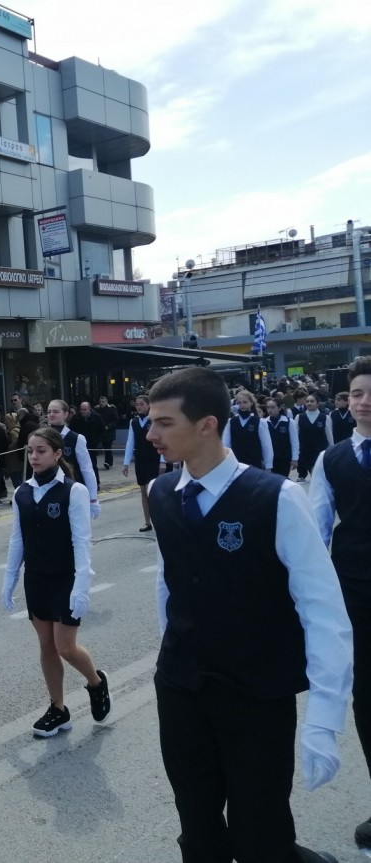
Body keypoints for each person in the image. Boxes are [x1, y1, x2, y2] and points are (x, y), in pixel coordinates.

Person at [145, 366, 352, 863]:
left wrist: (324, 720)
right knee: (197, 827)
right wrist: (173, 656)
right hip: (183, 690)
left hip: (256, 695)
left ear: (207, 425)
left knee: (261, 834)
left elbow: (323, 609)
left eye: (164, 423)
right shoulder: (161, 495)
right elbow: (168, 584)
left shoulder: (275, 497)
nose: (150, 434)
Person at [1, 427, 110, 738]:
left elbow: (81, 540)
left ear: (58, 454)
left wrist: (82, 585)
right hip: (36, 579)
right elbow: (17, 540)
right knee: (46, 646)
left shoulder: (72, 491)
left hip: (66, 578)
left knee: (66, 647)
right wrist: (9, 579)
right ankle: (58, 709)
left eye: (41, 451)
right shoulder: (22, 492)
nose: (34, 456)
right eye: (31, 451)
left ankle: (96, 683)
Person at [309, 355, 371, 852]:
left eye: (370, 392)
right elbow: (316, 533)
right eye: (356, 393)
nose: (364, 401)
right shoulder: (331, 461)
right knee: (368, 702)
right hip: (356, 595)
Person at [45, 400, 100, 519]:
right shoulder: (42, 437)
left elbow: (87, 468)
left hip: (72, 489)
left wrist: (93, 498)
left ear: (66, 414)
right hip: (49, 489)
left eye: (55, 411)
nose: (51, 414)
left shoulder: (76, 438)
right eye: (49, 412)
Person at [122, 394, 165, 532]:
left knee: (153, 490)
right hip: (140, 459)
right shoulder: (133, 422)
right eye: (137, 404)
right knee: (143, 491)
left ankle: (159, 519)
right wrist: (126, 462)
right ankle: (147, 522)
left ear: (148, 405)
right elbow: (130, 442)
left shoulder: (154, 420)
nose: (139, 406)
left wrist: (163, 461)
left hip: (154, 458)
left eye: (142, 404)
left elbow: (162, 438)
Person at [221, 389, 272, 470]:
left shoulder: (260, 421)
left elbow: (266, 445)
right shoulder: (230, 422)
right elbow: (226, 444)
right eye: (239, 403)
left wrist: (268, 465)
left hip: (255, 463)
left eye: (245, 402)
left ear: (251, 403)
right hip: (237, 463)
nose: (242, 405)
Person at [68, 401, 106, 484]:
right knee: (79, 465)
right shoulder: (76, 418)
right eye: (81, 409)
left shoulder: (96, 417)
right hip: (79, 445)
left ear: (89, 409)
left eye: (85, 409)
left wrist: (97, 441)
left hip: (92, 445)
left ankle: (96, 482)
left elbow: (102, 430)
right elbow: (71, 430)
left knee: (93, 465)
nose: (83, 411)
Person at [296, 393, 329, 481]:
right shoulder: (299, 417)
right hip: (304, 452)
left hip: (319, 451)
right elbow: (296, 436)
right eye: (307, 401)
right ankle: (302, 475)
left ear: (318, 403)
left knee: (318, 476)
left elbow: (330, 436)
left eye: (312, 401)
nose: (309, 403)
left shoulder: (325, 417)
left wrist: (331, 451)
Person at [266, 397, 299, 478]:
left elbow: (294, 441)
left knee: (282, 479)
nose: (270, 410)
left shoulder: (289, 422)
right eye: (268, 407)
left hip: (284, 458)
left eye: (273, 407)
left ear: (280, 408)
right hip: (270, 458)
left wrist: (295, 458)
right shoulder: (264, 422)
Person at [95, 396, 119, 469]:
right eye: (100, 402)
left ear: (106, 402)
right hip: (100, 432)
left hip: (108, 432)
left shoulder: (111, 409)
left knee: (107, 447)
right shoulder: (97, 409)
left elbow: (116, 420)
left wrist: (108, 426)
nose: (101, 403)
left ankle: (108, 462)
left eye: (103, 402)